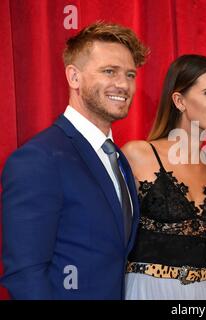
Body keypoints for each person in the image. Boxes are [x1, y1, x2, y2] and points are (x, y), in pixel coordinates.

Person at [1, 22, 148, 299]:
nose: (123, 84)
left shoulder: (117, 158)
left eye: (130, 74)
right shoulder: (38, 159)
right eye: (109, 71)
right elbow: (25, 274)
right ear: (74, 77)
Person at [121, 54, 206, 300]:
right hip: (147, 289)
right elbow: (111, 234)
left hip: (202, 290)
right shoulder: (138, 154)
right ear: (179, 100)